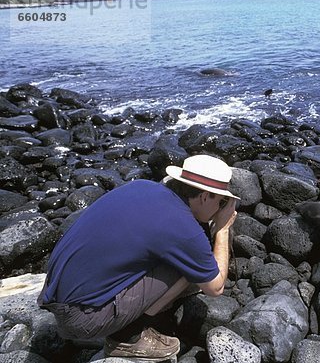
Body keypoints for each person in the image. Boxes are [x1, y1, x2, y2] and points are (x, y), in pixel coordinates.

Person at [38, 154, 239, 360]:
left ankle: (123, 314)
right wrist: (222, 230)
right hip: (83, 319)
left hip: (55, 293)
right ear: (205, 197)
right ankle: (127, 337)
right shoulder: (183, 228)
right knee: (188, 266)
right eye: (222, 201)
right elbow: (215, 287)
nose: (221, 208)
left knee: (180, 257)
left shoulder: (143, 187)